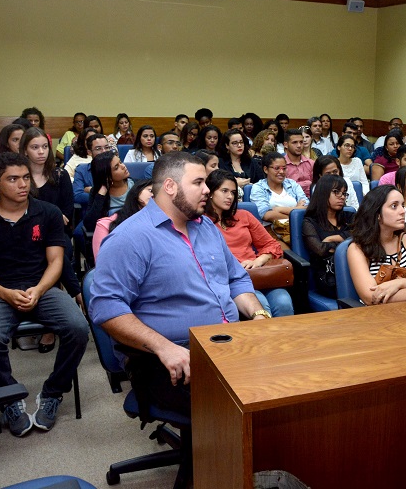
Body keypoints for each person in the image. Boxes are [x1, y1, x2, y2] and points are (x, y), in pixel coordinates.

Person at [90, 151, 272, 419]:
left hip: (226, 343)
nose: (207, 190)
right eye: (198, 183)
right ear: (170, 186)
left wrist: (258, 314)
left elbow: (236, 279)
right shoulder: (130, 238)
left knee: (288, 379)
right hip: (169, 356)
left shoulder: (206, 227)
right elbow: (106, 308)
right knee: (249, 404)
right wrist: (164, 347)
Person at [0, 152, 89, 436]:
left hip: (41, 287)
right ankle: (9, 396)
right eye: (13, 179)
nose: (22, 184)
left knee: (78, 328)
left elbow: (56, 261)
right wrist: (6, 293)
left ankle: (53, 392)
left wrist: (40, 289)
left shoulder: (48, 212)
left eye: (25, 178)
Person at [22, 127, 81, 351]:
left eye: (45, 147)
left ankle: (49, 327)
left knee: (57, 254)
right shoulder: (20, 177)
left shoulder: (60, 175)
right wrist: (52, 217)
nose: (41, 152)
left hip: (57, 233)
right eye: (35, 147)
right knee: (43, 255)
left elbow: (67, 211)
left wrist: (54, 219)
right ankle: (76, 296)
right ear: (25, 150)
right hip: (25, 235)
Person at [205, 170, 293, 317]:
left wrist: (258, 261)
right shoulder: (202, 222)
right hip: (231, 279)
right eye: (224, 191)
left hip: (257, 273)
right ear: (211, 193)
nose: (230, 196)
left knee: (283, 302)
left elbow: (272, 245)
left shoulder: (244, 215)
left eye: (233, 192)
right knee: (262, 305)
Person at [302, 174, 355, 299]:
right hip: (328, 276)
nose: (342, 197)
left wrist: (332, 239)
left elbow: (363, 235)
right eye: (336, 192)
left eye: (344, 193)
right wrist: (348, 244)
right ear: (323, 193)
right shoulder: (310, 222)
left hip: (355, 268)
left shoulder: (349, 216)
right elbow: (320, 249)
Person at [92, 178, 153, 261]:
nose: (154, 195)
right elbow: (103, 262)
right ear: (137, 191)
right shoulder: (105, 225)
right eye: (150, 190)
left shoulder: (164, 224)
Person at [82, 151, 132, 235]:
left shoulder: (137, 186)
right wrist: (102, 193)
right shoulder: (97, 192)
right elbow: (90, 225)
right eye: (116, 167)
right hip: (110, 234)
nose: (123, 166)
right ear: (107, 176)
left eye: (120, 162)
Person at [250, 152, 308, 222]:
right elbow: (266, 215)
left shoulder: (292, 184)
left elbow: (306, 207)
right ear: (266, 169)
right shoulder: (259, 187)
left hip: (297, 228)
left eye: (284, 168)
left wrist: (279, 209)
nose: (281, 172)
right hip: (271, 227)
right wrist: (296, 211)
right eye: (277, 168)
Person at [71, 132, 111, 204]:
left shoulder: (117, 168)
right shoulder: (82, 170)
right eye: (98, 149)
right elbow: (77, 196)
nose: (104, 151)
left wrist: (92, 190)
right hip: (91, 209)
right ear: (89, 152)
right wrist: (101, 195)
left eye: (106, 147)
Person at [336, 134, 369, 201]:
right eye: (347, 145)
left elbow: (365, 183)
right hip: (340, 197)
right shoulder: (334, 163)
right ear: (339, 147)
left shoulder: (357, 161)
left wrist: (363, 195)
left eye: (352, 146)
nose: (350, 149)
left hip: (359, 196)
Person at [282, 128, 314, 196]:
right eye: (295, 142)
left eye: (301, 142)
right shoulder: (281, 165)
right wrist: (307, 184)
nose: (299, 146)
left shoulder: (311, 163)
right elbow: (283, 188)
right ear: (286, 145)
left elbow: (315, 186)